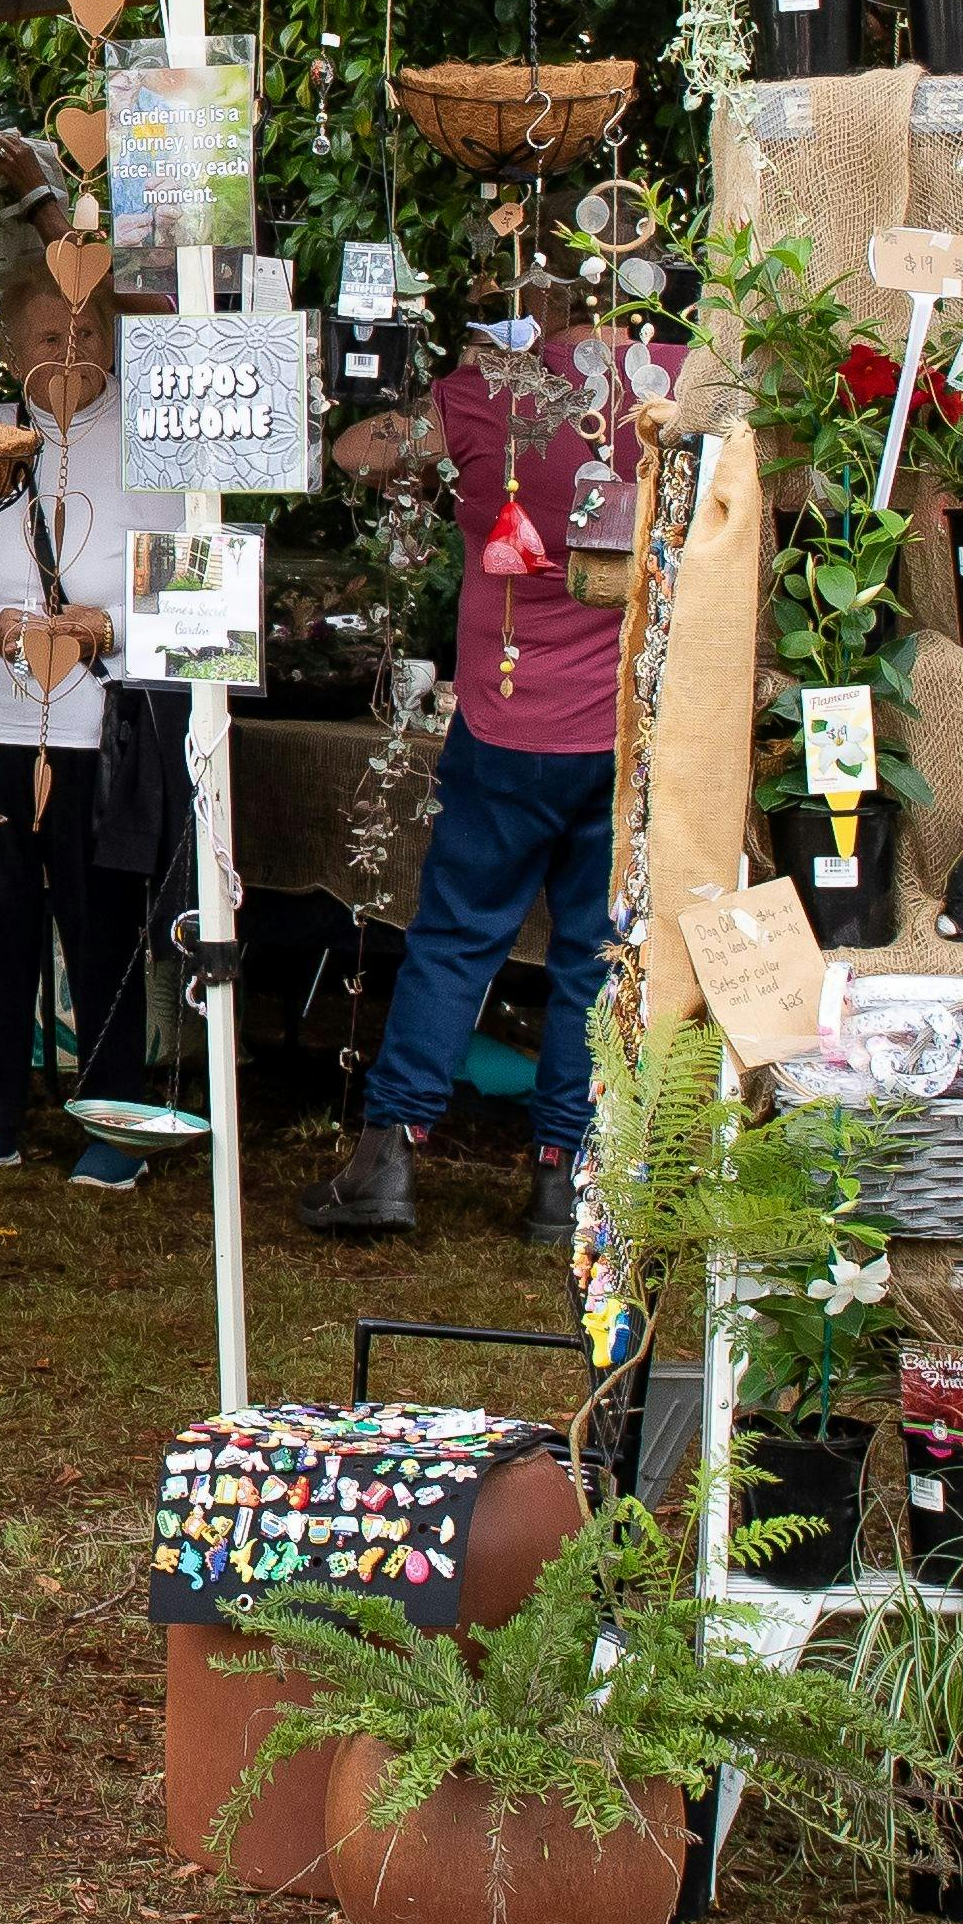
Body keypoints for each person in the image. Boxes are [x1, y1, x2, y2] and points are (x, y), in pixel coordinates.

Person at [315, 304, 645, 1240]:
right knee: (592, 956)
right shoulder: (680, 380)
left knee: (458, 939)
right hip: (619, 725)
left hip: (506, 719)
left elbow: (354, 453)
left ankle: (389, 1157)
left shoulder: (493, 394)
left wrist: (458, 403)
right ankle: (563, 1177)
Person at [0, 256, 171, 1188]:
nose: (72, 352)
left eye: (89, 332)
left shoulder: (153, 441)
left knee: (103, 925)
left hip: (99, 721)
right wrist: (0, 626)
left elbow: (187, 576)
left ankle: (117, 1117)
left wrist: (112, 624)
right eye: (50, 336)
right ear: (10, 348)